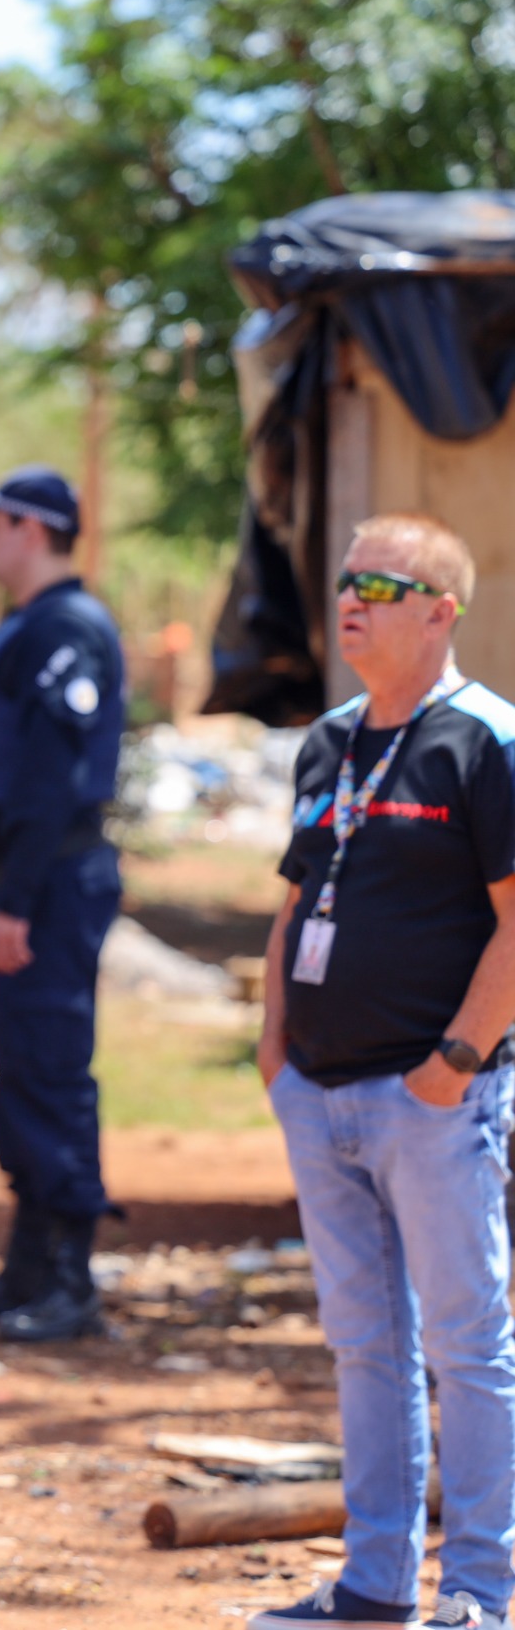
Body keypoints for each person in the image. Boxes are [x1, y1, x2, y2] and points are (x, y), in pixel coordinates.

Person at [248, 514, 515, 1630]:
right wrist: (274, 1046)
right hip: (318, 1090)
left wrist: (455, 1061)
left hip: (429, 1097)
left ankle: (479, 1589)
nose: (348, 597)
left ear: (441, 610)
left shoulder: (482, 739)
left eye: (379, 582)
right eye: (343, 579)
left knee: (466, 1342)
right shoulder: (331, 739)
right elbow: (294, 895)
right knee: (364, 1344)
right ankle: (371, 1583)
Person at [0, 467, 127, 1344]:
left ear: (34, 528)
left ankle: (69, 1274)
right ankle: (28, 1262)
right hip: (21, 878)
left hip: (51, 882)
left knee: (47, 1069)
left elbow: (54, 777)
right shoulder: (31, 625)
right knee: (11, 1069)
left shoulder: (68, 628)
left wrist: (14, 898)